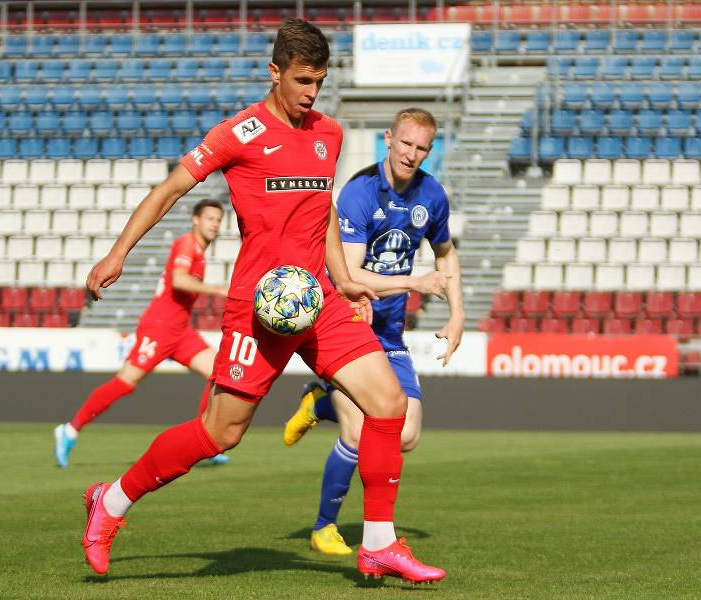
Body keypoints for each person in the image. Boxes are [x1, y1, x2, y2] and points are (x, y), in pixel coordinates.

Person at [80, 20, 445, 584]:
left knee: (389, 405)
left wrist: (344, 277)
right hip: (261, 305)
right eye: (302, 80)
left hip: (316, 298)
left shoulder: (330, 132)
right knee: (219, 432)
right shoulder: (238, 133)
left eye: (318, 81)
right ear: (274, 72)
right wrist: (117, 253)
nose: (311, 92)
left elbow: (320, 209)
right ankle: (111, 502)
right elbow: (169, 189)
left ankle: (378, 544)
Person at [283, 108, 464, 555]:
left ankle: (319, 404)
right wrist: (413, 281)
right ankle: (325, 525)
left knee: (407, 435)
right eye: (405, 144)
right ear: (388, 138)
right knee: (359, 427)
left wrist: (458, 314)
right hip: (346, 325)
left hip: (390, 333)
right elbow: (351, 274)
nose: (412, 154)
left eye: (422, 148)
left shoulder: (432, 195)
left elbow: (446, 253)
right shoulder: (360, 193)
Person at [53, 199, 230, 468]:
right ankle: (69, 429)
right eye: (210, 219)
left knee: (219, 371)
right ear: (196, 220)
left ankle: (206, 439)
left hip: (180, 330)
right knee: (126, 382)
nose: (215, 225)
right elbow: (178, 280)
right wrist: (219, 290)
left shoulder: (198, 250)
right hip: (159, 327)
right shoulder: (187, 244)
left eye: (218, 220)